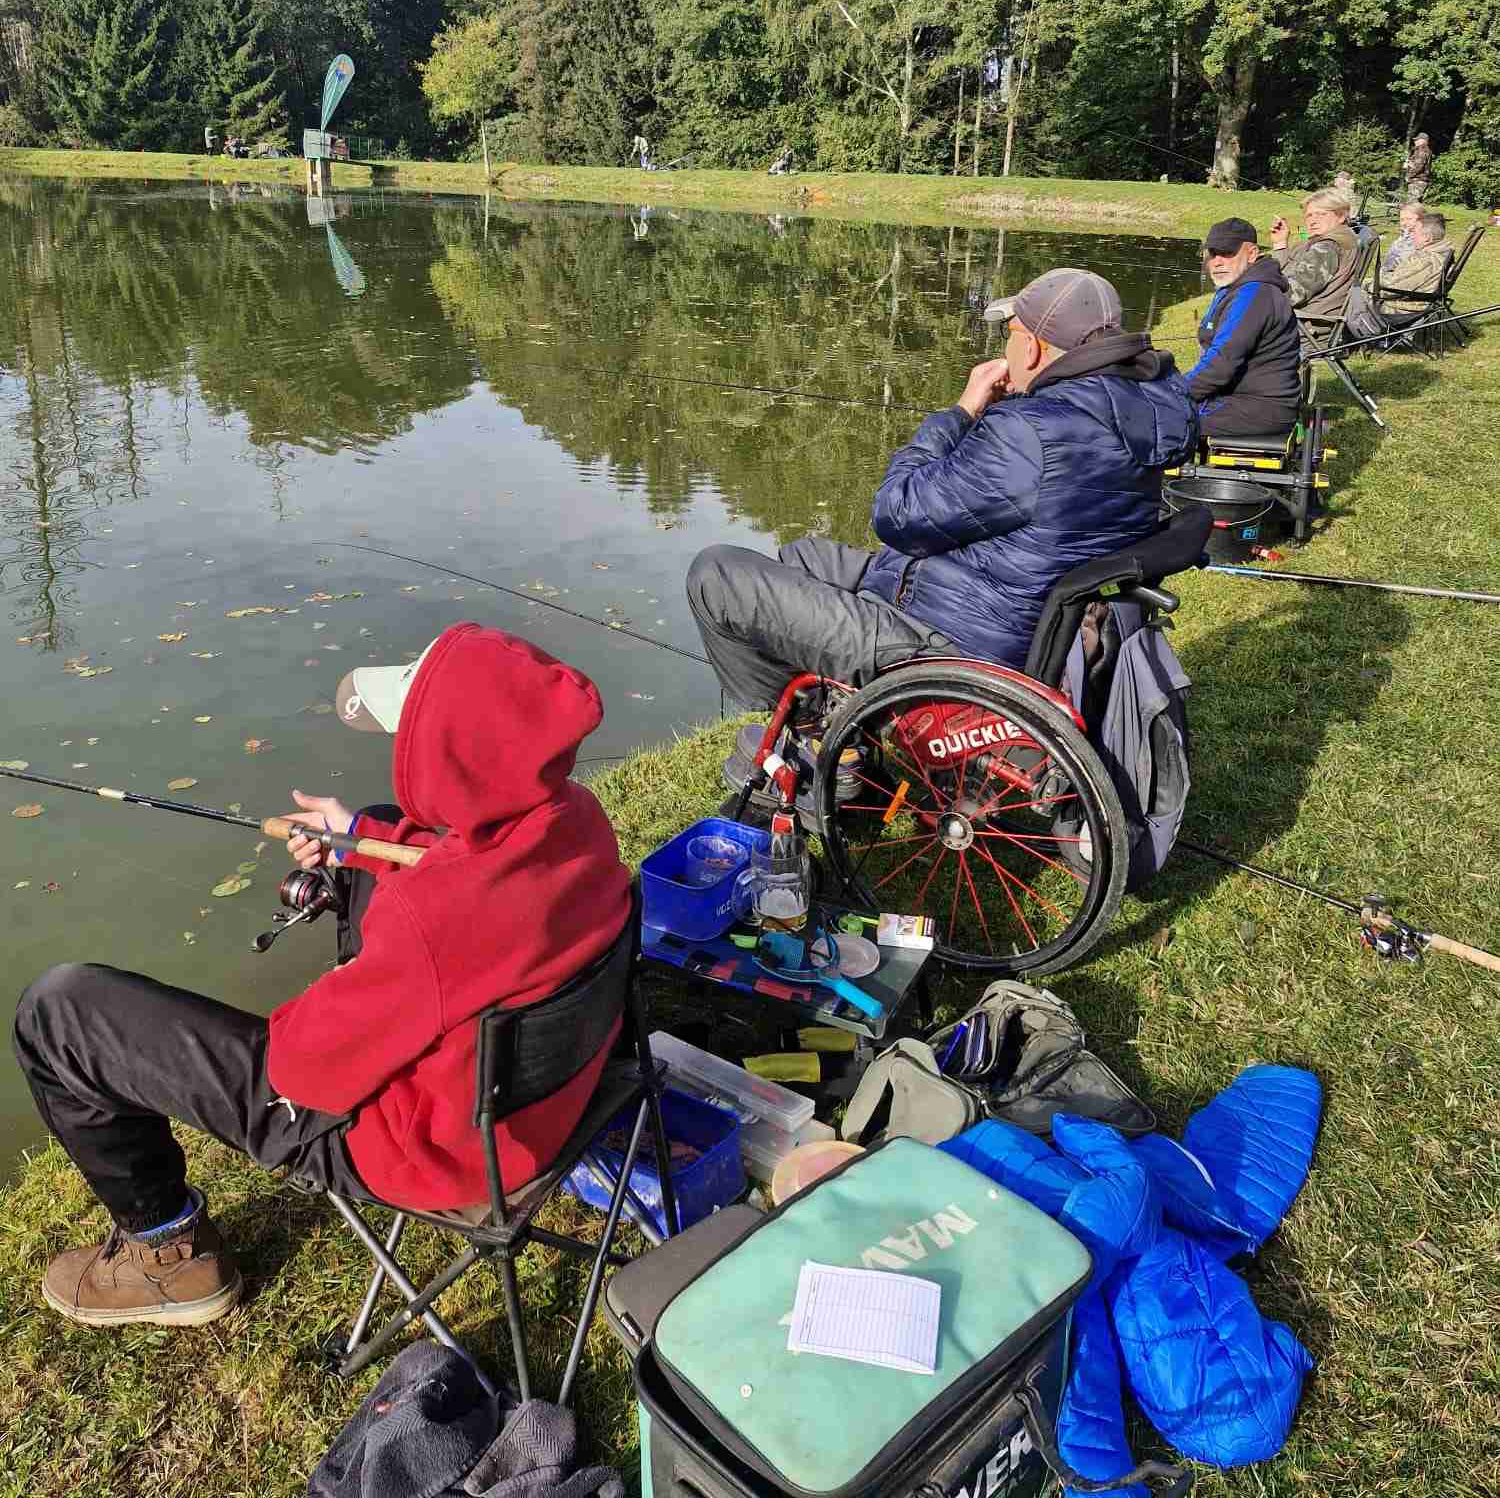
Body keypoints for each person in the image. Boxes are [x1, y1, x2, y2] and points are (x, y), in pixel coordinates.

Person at [12, 624, 630, 1330]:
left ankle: (166, 1254)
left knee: (60, 1012)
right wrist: (367, 842)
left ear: (447, 758)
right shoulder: (577, 819)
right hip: (544, 1106)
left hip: (428, 1153)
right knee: (390, 824)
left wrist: (345, 990)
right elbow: (470, 879)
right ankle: (371, 860)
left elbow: (301, 1072)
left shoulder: (429, 922)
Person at [686, 268, 1198, 714]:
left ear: (1033, 346)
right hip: (1001, 615)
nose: (1005, 347)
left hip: (953, 645)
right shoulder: (1132, 414)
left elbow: (897, 512)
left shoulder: (1031, 432)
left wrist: (962, 411)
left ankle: (806, 733)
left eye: (1011, 333)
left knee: (715, 576)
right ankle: (815, 716)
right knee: (802, 556)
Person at [1182, 218, 1301, 438]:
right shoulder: (1239, 286)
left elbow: (1222, 362)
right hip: (1240, 397)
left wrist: (1173, 391)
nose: (1217, 262)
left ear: (1252, 253)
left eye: (1227, 253)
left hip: (1257, 407)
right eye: (1212, 254)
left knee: (1155, 418)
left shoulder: (1253, 293)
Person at [1267, 189, 1364, 349]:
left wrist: (1256, 295)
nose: (1312, 220)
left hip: (1308, 328)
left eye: (1320, 214)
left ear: (1340, 216)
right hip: (1312, 322)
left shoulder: (1327, 248)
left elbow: (1293, 294)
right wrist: (1280, 244)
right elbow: (1285, 274)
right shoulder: (1338, 239)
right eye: (1309, 215)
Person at [1348, 211, 1450, 340]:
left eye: (1414, 231)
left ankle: (1337, 337)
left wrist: (1363, 285)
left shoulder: (1425, 261)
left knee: (1347, 292)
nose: (1411, 235)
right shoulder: (1436, 253)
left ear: (1427, 237)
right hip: (1410, 300)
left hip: (1401, 308)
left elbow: (1390, 288)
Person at [1383, 201, 1427, 275]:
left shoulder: (1418, 240)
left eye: (1409, 219)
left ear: (1421, 219)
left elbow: (1398, 264)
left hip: (1398, 280)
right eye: (1402, 219)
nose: (1404, 223)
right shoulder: (1406, 236)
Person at [1403, 132, 1433, 201]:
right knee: (1415, 206)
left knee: (1412, 206)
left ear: (1423, 140)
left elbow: (1418, 167)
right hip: (1418, 181)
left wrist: (1408, 176)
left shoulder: (1422, 150)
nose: (1415, 141)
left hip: (1417, 182)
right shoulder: (1422, 150)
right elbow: (1417, 164)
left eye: (1417, 140)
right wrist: (1409, 163)